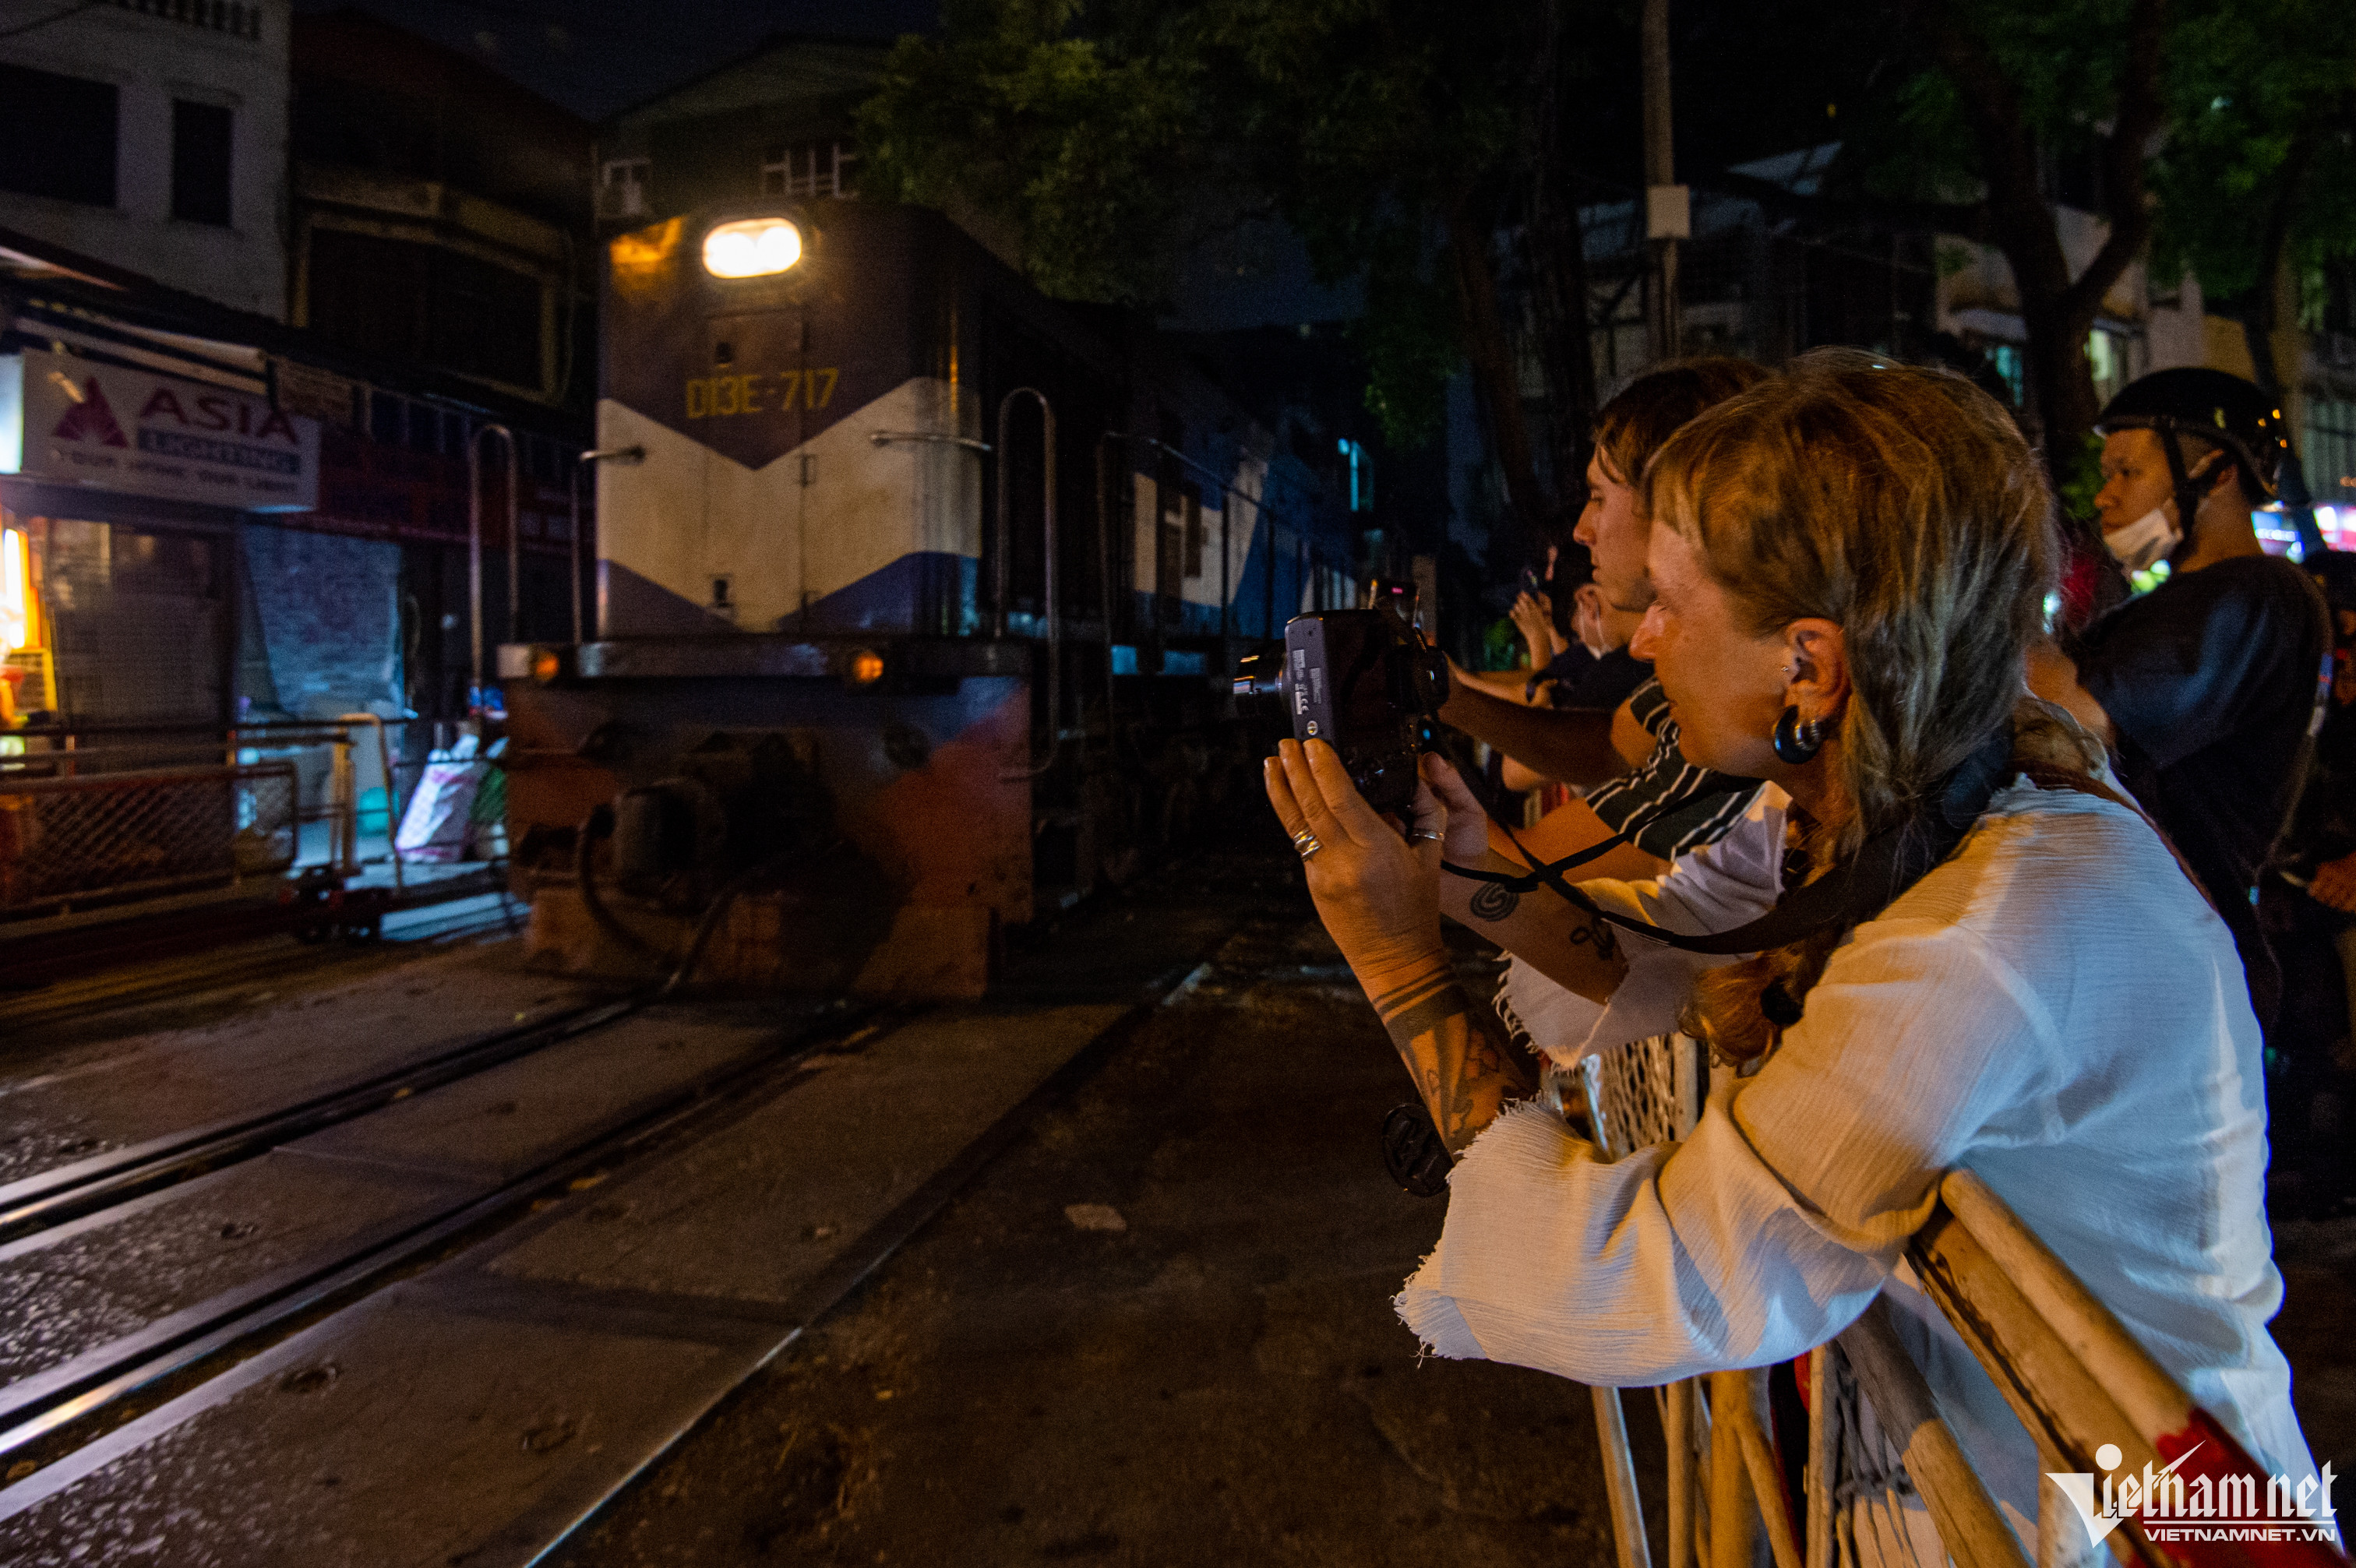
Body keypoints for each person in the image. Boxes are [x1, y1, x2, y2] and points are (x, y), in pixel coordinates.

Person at [1265, 352, 2324, 1555]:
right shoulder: (1929, 800)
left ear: (1809, 664)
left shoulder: (1991, 928)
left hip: (2127, 1524)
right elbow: (1664, 959)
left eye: (1673, 603)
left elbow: (1653, 1276)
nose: (1643, 640)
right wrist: (1461, 875)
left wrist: (1404, 974)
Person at [2030, 369, 2331, 1030]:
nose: (2105, 496)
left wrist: (1987, 591)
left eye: (2127, 472)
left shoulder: (2257, 595)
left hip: (2174, 961)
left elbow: (2079, 715)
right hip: (2145, 946)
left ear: (2216, 473)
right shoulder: (2192, 602)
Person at [1440, 358, 1770, 886]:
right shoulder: (1720, 674)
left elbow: (1546, 882)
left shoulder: (1741, 711)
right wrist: (1444, 695)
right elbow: (1608, 744)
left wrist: (1406, 826)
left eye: (1598, 498)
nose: (1581, 530)